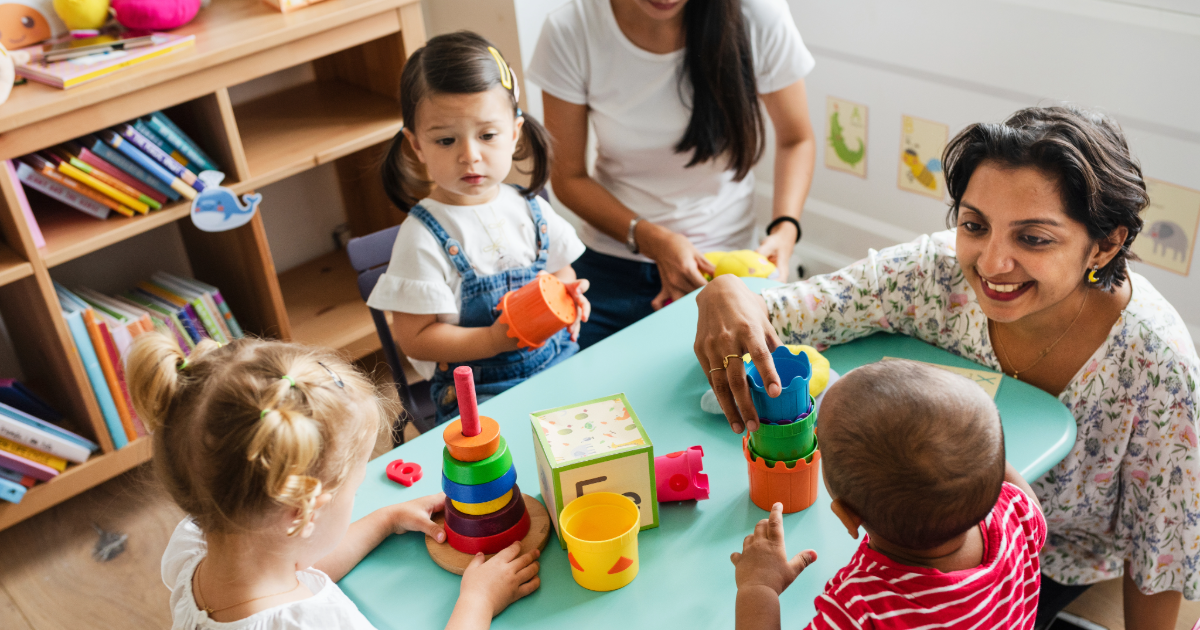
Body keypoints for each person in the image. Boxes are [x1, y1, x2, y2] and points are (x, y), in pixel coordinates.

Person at [696, 105, 1199, 629]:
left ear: (1106, 243)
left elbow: (1161, 546)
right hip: (969, 553)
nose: (991, 263)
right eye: (974, 225)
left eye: (1033, 238)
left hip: (1049, 564)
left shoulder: (1158, 364)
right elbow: (787, 313)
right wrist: (728, 291)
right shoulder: (930, 274)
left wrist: (758, 592)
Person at [126, 333, 541, 629]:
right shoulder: (313, 622)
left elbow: (295, 563)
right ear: (302, 511)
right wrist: (478, 602)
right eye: (355, 489)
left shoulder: (196, 548)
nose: (357, 497)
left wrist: (384, 519)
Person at [528, 0, 817, 348]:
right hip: (613, 260)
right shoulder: (571, 29)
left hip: (724, 265)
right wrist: (653, 240)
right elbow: (568, 177)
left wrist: (785, 229)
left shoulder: (758, 14)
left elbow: (796, 139)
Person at [368, 33, 590, 424]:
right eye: (446, 139)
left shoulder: (529, 207)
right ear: (416, 145)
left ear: (515, 132)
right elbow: (414, 337)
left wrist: (566, 296)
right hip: (481, 394)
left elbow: (560, 270)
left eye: (487, 135)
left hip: (559, 361)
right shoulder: (422, 237)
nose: (470, 155)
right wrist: (492, 340)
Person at [732, 361, 1047, 629]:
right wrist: (966, 445)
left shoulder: (860, 609)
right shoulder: (1017, 514)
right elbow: (1006, 480)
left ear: (847, 516)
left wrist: (759, 587)